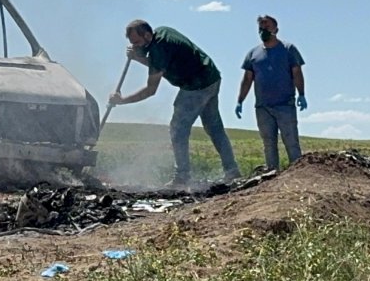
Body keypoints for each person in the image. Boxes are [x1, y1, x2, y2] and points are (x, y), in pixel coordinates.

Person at [108, 19, 241, 187]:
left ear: (147, 35)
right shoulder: (162, 32)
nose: (134, 46)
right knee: (214, 128)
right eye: (132, 43)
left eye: (136, 42)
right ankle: (232, 171)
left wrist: (122, 101)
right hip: (211, 78)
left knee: (178, 129)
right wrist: (138, 56)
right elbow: (160, 63)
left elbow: (150, 90)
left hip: (196, 86)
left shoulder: (158, 49)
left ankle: (182, 177)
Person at [234, 15, 306, 172]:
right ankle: (272, 175)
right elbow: (247, 79)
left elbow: (297, 73)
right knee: (268, 143)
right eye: (260, 28)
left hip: (285, 104)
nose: (263, 30)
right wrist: (240, 100)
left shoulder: (288, 49)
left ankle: (298, 175)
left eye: (267, 27)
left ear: (276, 29)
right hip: (262, 107)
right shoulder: (253, 54)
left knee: (291, 142)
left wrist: (301, 94)